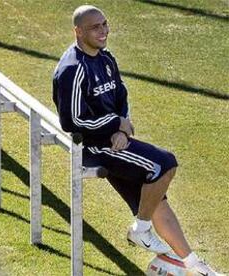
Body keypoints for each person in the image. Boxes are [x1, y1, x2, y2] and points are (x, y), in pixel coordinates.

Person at [52, 5, 222, 276]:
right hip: (95, 147)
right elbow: (72, 122)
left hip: (116, 140)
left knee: (156, 197)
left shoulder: (106, 59)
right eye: (95, 27)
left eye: (105, 24)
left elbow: (121, 97)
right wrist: (114, 125)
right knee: (164, 164)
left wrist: (122, 128)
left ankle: (193, 266)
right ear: (78, 31)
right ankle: (141, 230)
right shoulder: (73, 70)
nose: (103, 30)